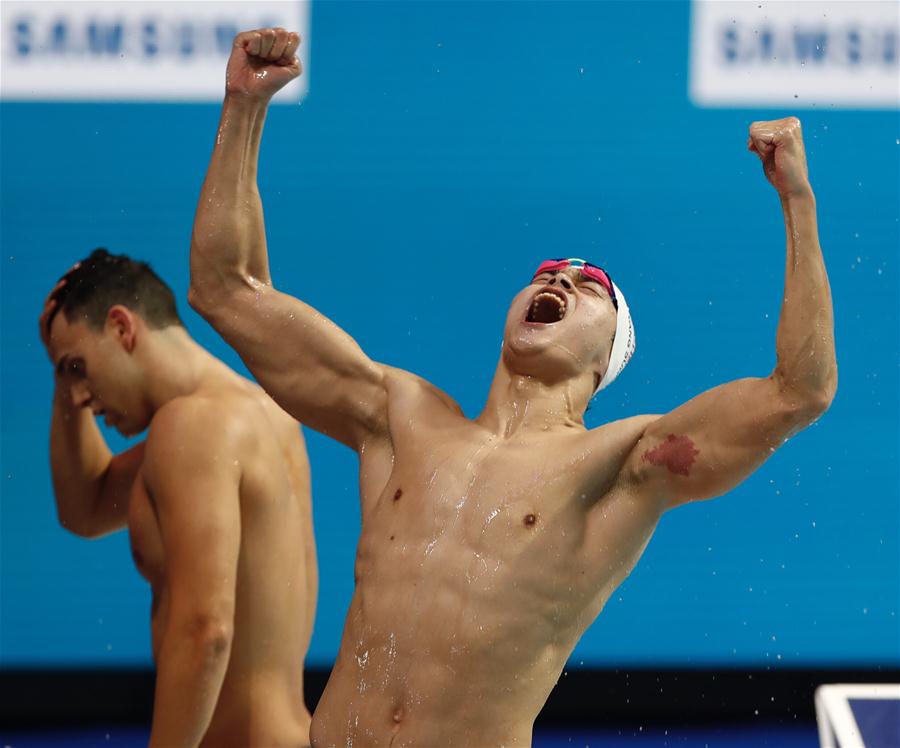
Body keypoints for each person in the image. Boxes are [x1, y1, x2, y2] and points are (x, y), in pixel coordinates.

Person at [189, 27, 837, 747]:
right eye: (548, 270)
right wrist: (243, 107)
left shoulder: (622, 464)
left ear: (604, 365)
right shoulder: (399, 418)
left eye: (589, 286)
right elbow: (227, 290)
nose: (559, 277)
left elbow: (798, 392)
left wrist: (797, 202)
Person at [41, 249, 317, 747]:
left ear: (123, 328)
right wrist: (63, 383)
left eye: (78, 366)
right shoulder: (269, 415)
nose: (80, 394)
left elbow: (204, 631)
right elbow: (84, 508)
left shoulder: (190, 427)